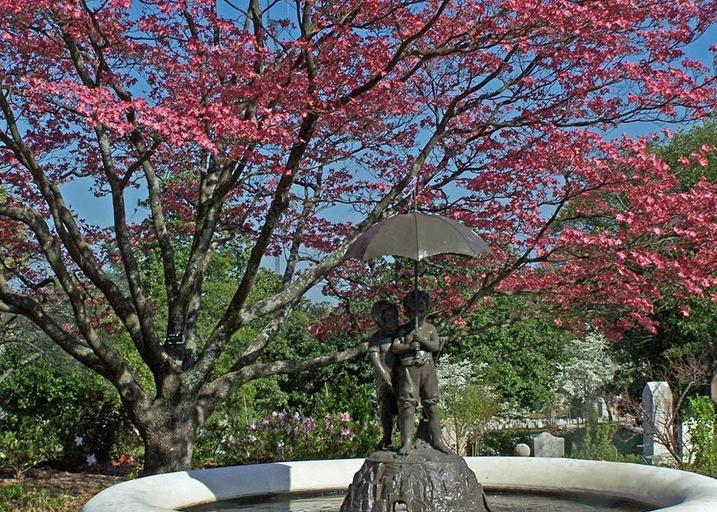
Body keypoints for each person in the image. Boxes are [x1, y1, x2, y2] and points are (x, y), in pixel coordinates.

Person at [391, 290, 452, 455]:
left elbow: (435, 346)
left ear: (427, 310)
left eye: (421, 311)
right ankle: (407, 442)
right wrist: (409, 346)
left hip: (427, 369)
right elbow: (395, 347)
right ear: (408, 311)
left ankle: (437, 440)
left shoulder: (430, 329)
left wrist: (421, 340)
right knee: (407, 405)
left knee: (431, 404)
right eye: (413, 311)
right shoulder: (403, 331)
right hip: (408, 369)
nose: (417, 315)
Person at [367, 299, 400, 450]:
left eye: (394, 318)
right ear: (380, 321)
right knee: (385, 409)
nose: (393, 322)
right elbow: (375, 360)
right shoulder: (376, 339)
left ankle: (406, 439)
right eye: (388, 319)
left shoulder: (401, 334)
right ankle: (387, 438)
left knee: (404, 407)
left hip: (401, 378)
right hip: (384, 380)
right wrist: (385, 376)